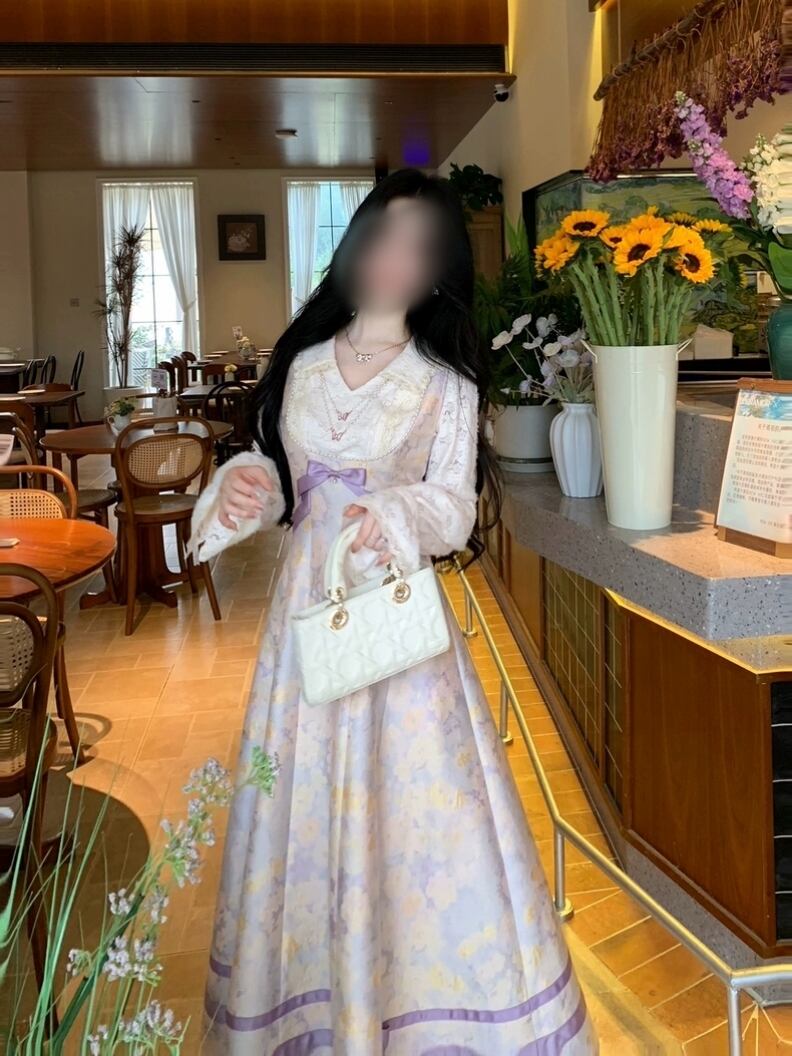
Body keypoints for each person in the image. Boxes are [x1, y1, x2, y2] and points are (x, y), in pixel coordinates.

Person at [188, 168, 598, 1055]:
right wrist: (245, 488)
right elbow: (281, 482)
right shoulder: (301, 362)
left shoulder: (445, 381)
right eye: (385, 236)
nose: (395, 259)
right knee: (301, 801)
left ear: (440, 269)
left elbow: (453, 505)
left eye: (420, 247)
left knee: (413, 818)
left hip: (395, 625)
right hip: (306, 620)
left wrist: (397, 513)